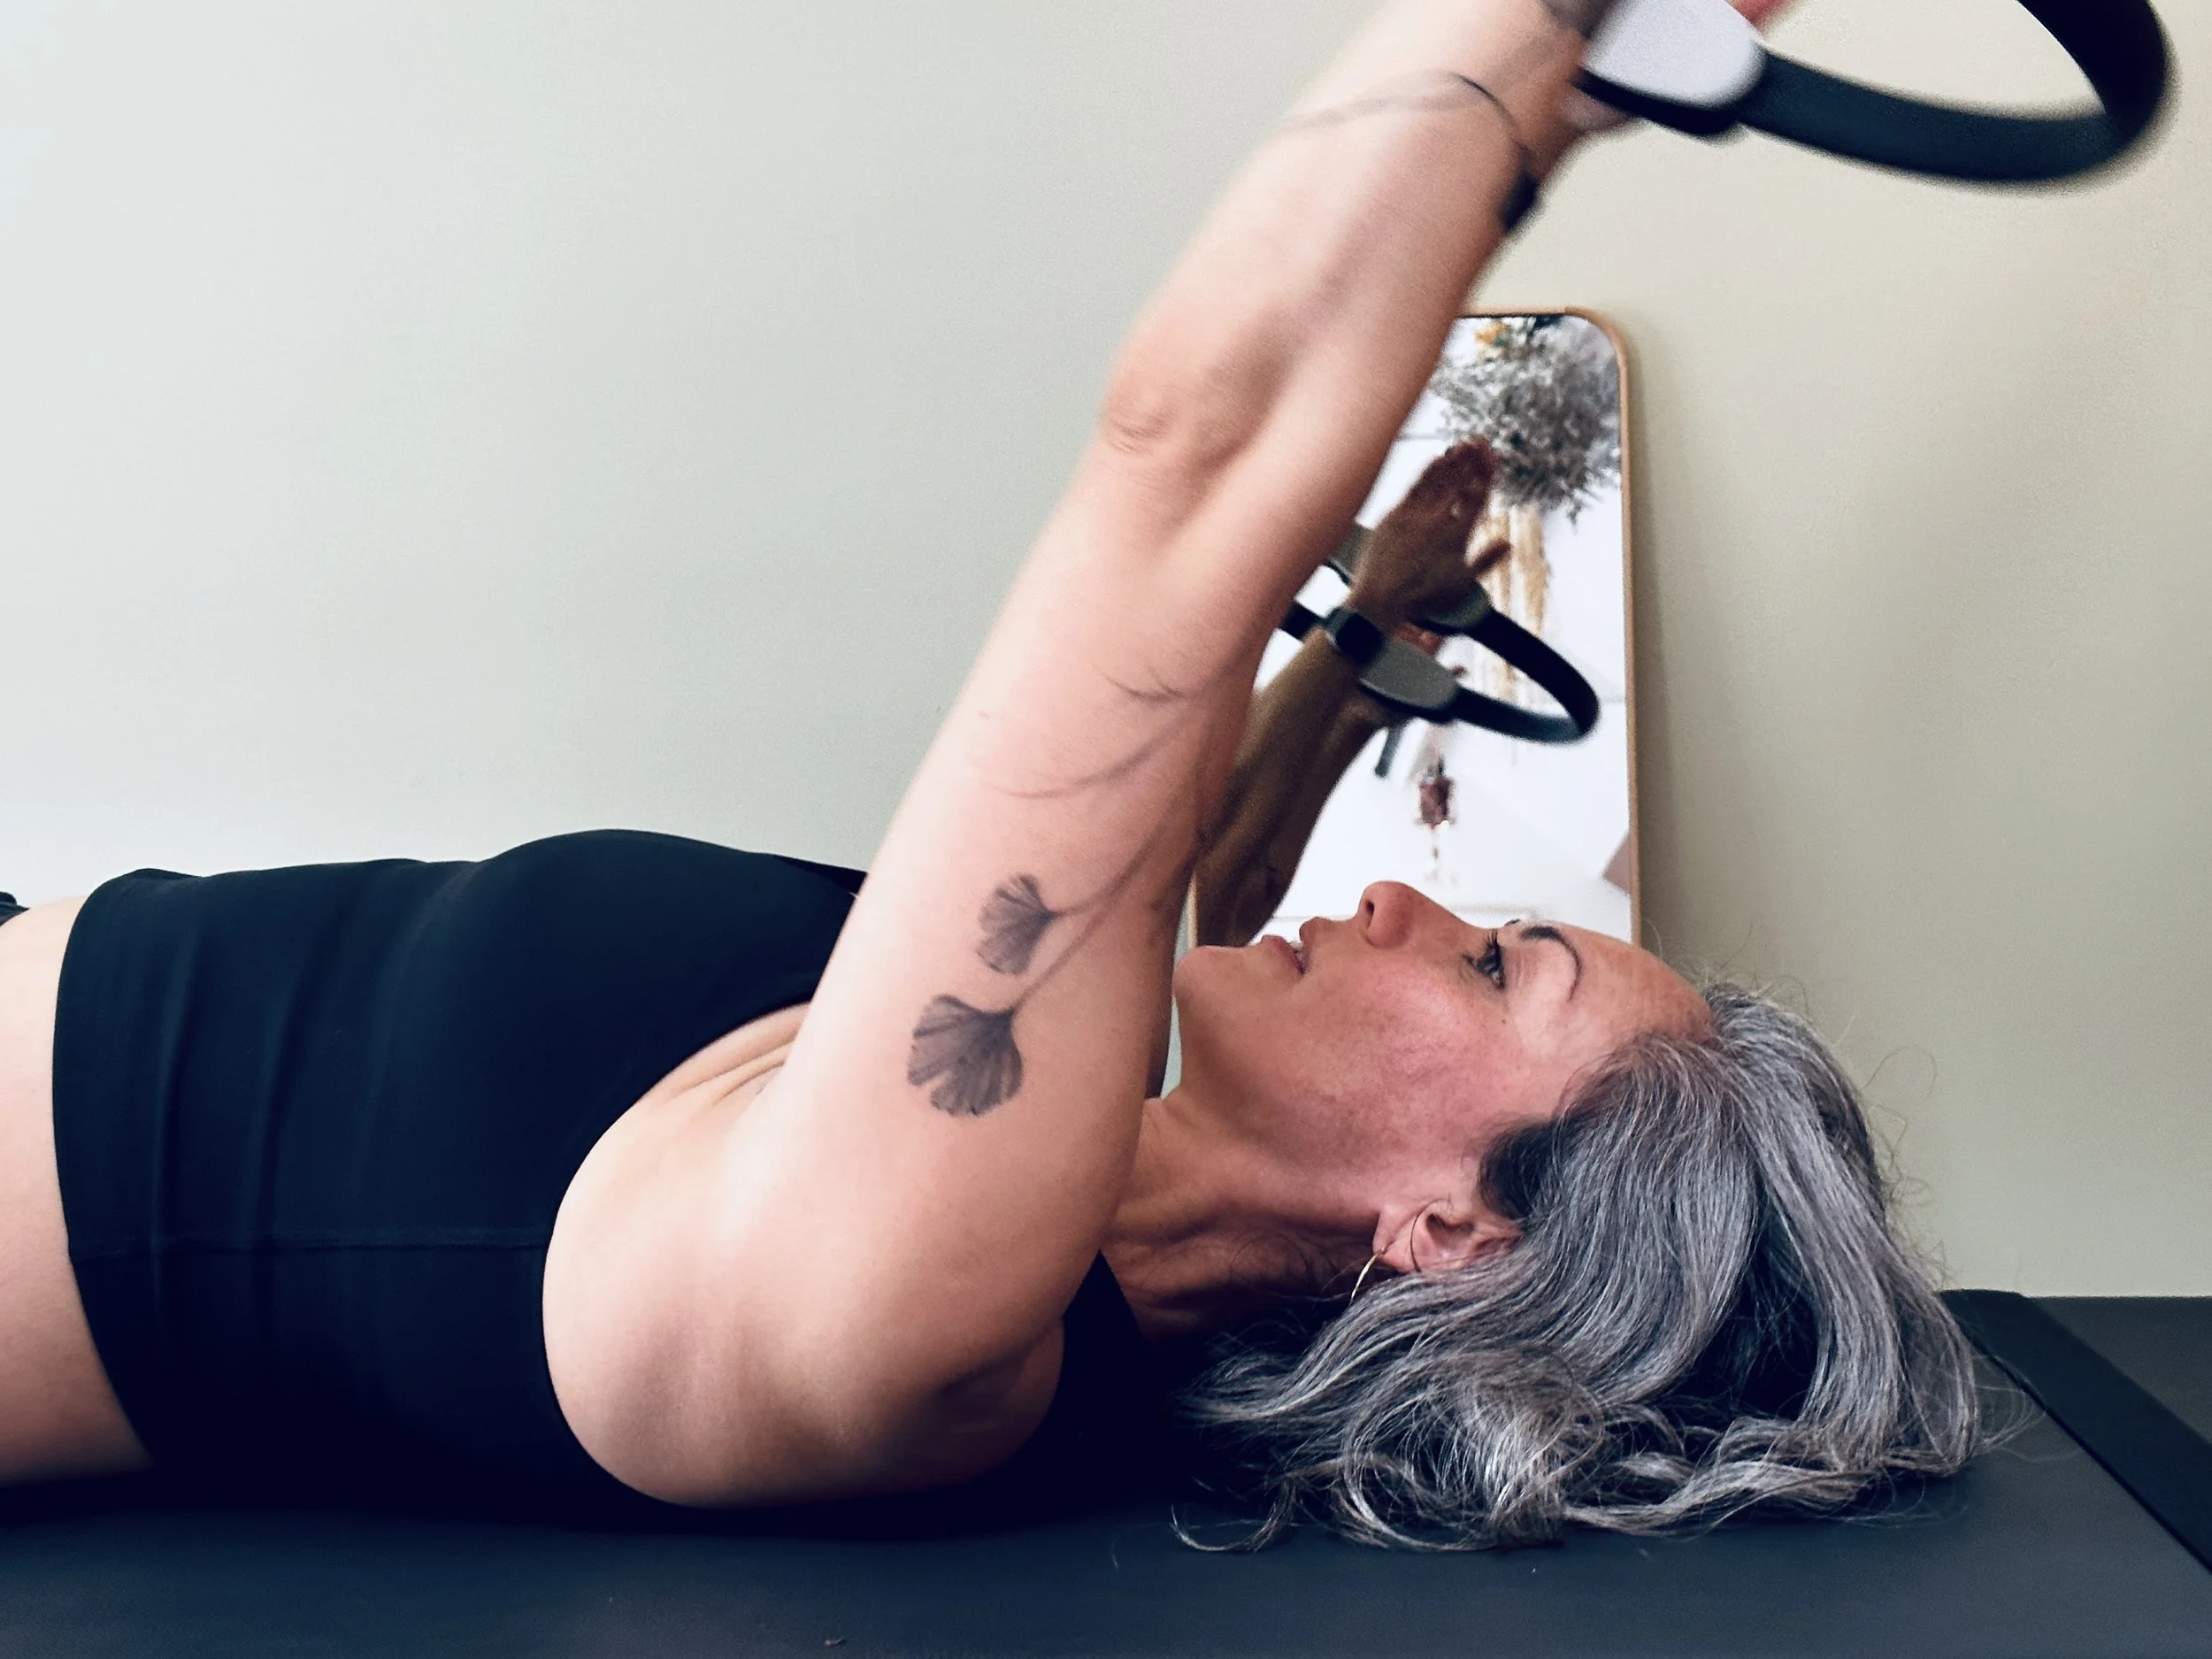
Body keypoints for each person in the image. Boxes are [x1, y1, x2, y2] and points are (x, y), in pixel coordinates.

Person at [0, 0, 1978, 1548]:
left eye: (1491, 968)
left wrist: (1560, 49)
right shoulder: (1069, 1141)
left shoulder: (928, 1304)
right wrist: (1360, 656)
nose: (1405, 901)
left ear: (1453, 1235)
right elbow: (1168, 859)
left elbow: (1183, 455)